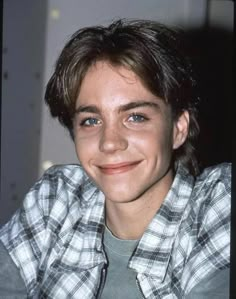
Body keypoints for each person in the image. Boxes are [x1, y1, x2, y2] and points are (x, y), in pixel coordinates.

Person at [0, 19, 230, 298]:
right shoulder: (55, 200)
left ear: (178, 129)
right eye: (91, 120)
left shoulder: (218, 203)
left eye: (135, 117)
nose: (109, 142)